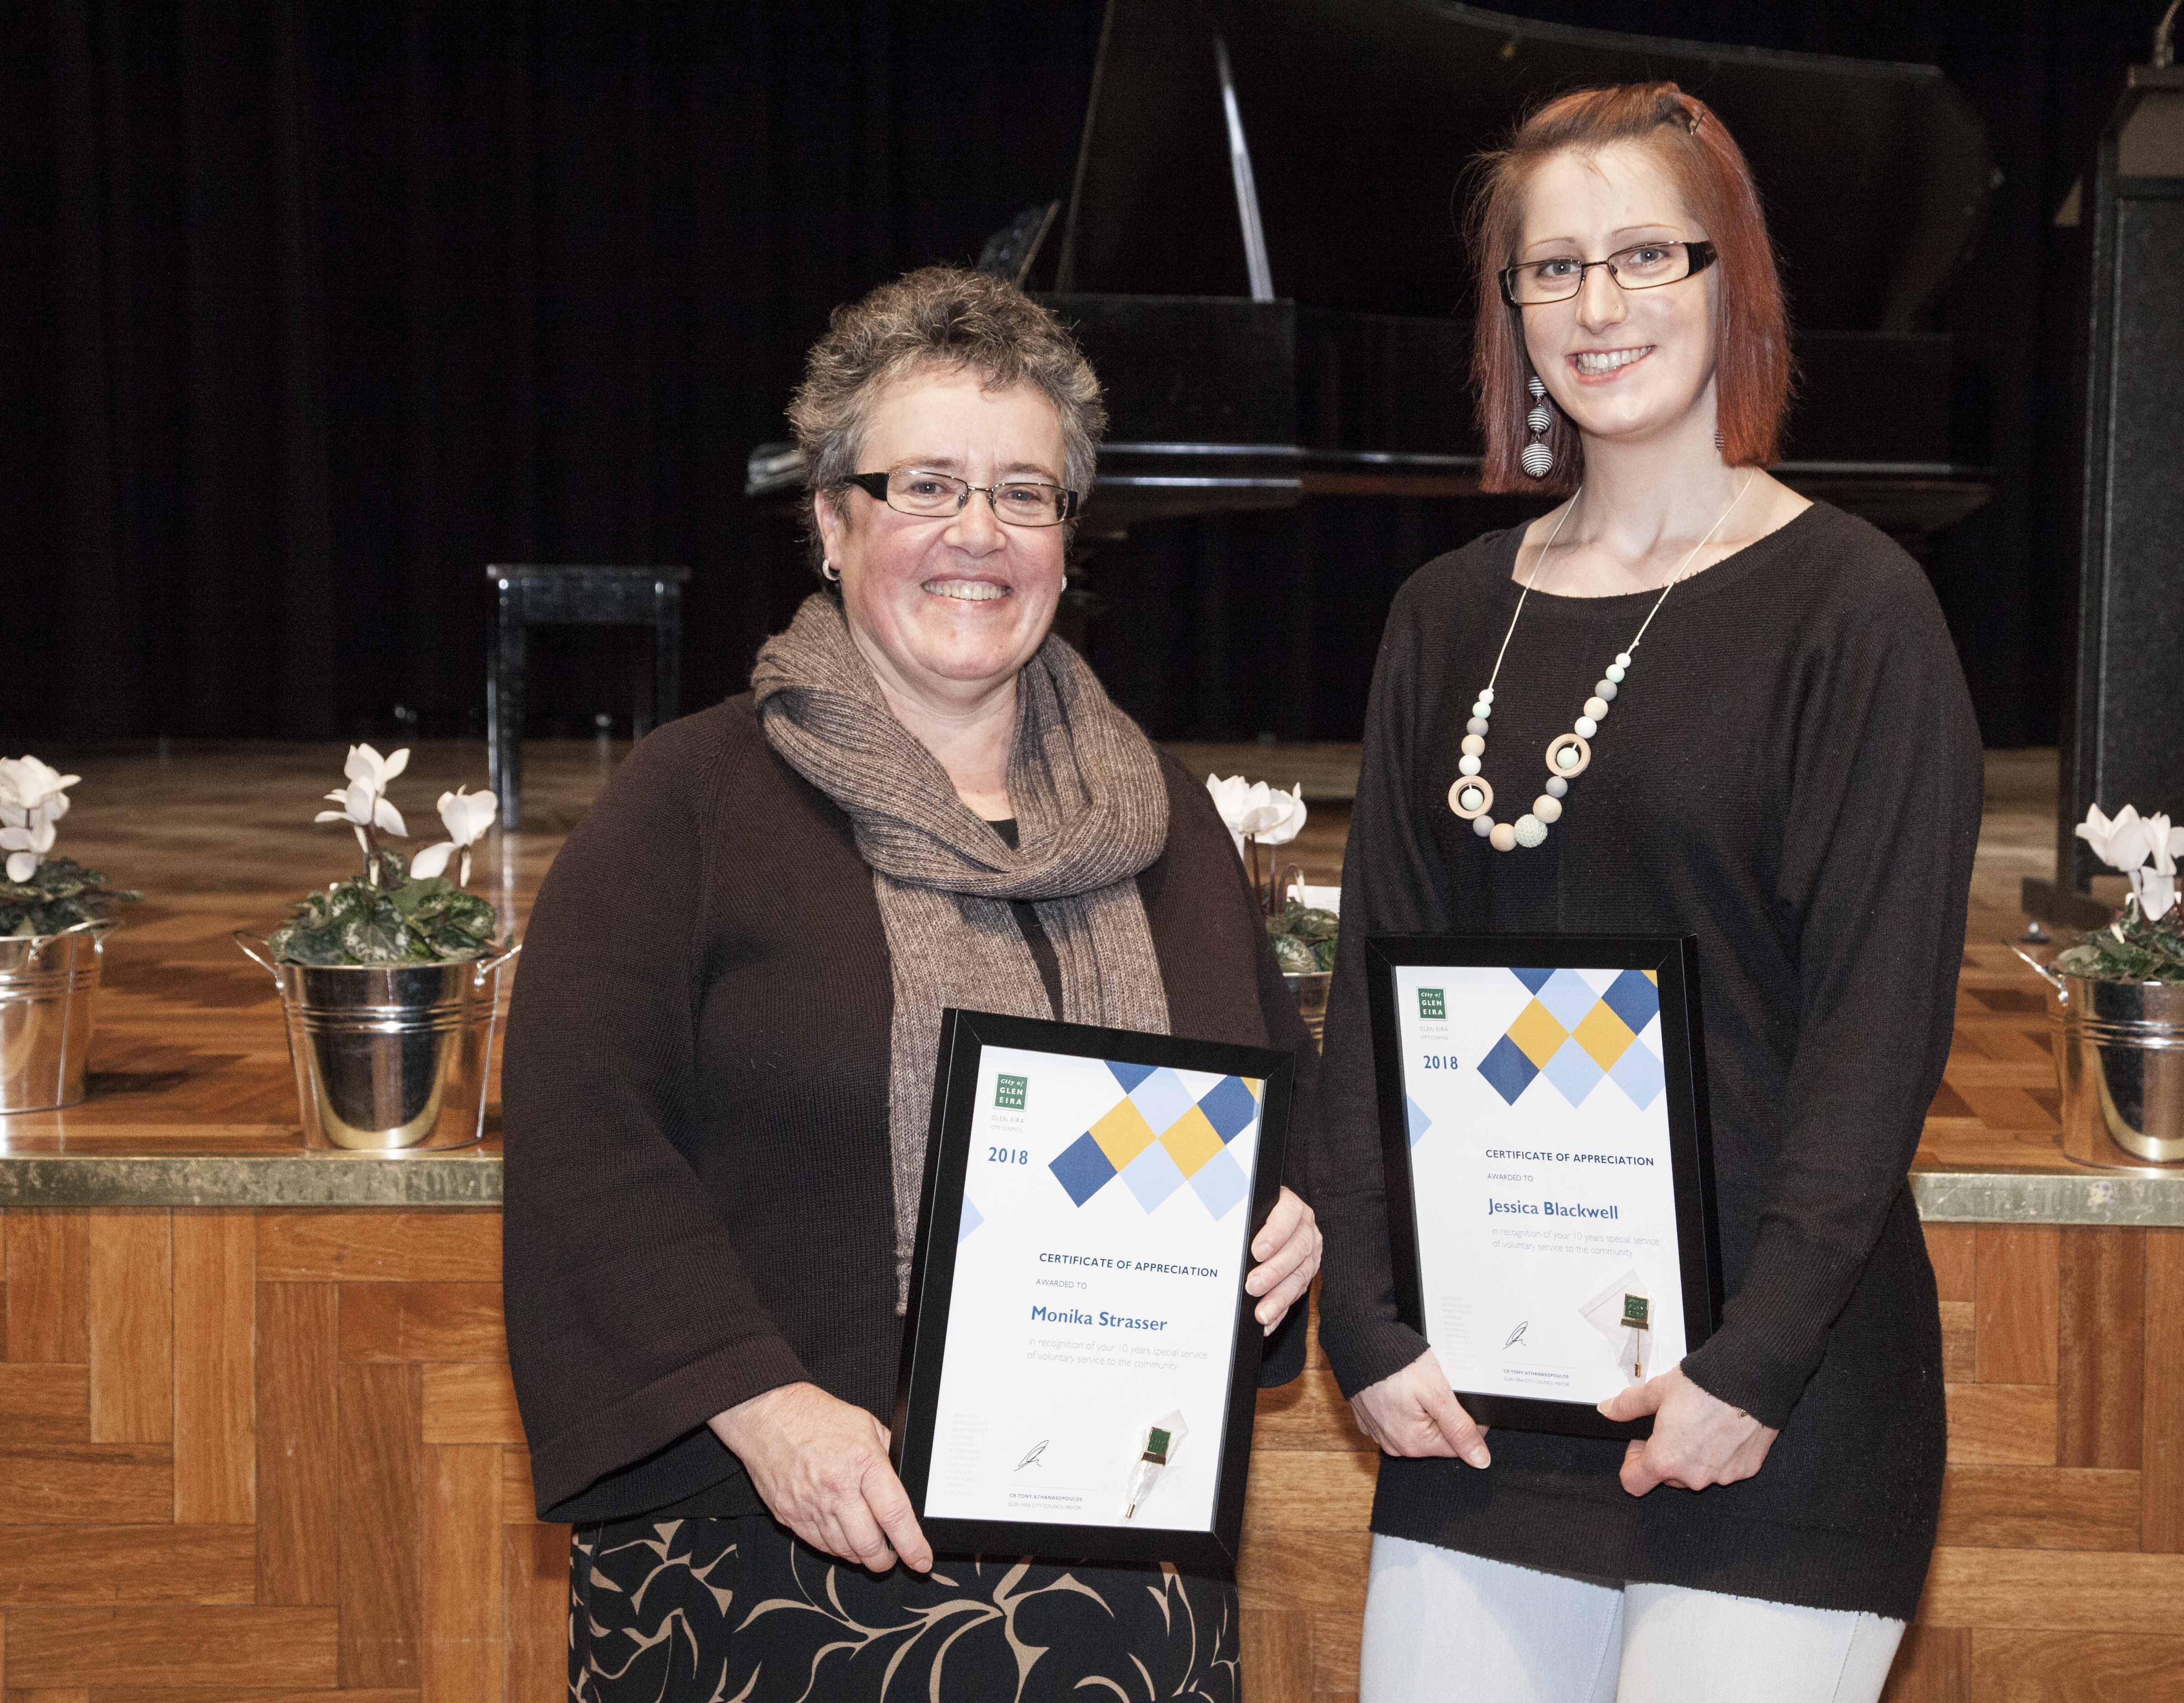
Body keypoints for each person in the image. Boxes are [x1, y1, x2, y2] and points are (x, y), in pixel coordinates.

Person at [501, 267, 1323, 1703]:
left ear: (1070, 535)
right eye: (927, 484)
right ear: (833, 520)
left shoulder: (1169, 820)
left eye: (1024, 493)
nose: (977, 535)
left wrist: (1284, 1226)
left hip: (1122, 1592)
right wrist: (765, 1410)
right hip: (779, 1561)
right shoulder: (691, 804)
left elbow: (1270, 1111)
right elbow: (587, 1147)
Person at [1313, 85, 1982, 1703]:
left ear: (1727, 279)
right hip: (1484, 1405)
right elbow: (1376, 1001)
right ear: (1513, 313)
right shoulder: (1445, 615)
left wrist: (1755, 1363)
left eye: (1643, 256)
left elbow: (1875, 1038)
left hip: (1771, 1407)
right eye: (1552, 269)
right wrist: (1366, 1313)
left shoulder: (1855, 612)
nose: (1597, 307)